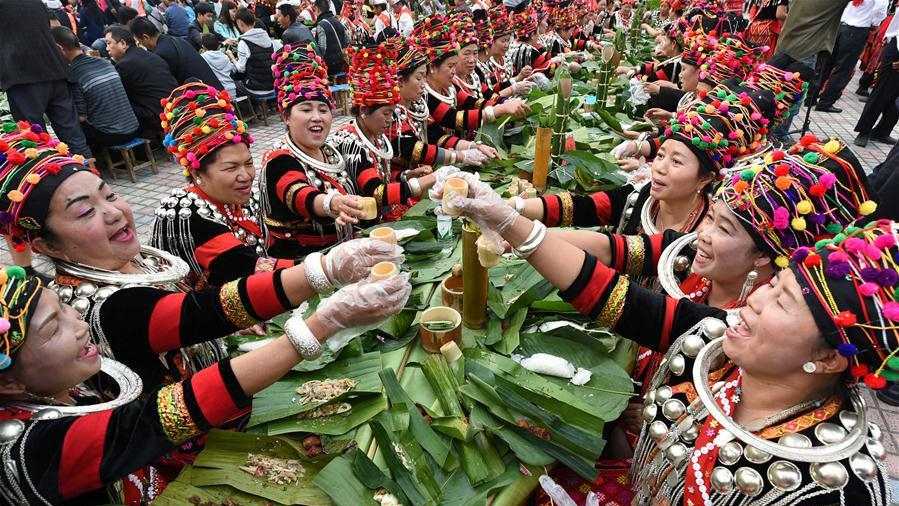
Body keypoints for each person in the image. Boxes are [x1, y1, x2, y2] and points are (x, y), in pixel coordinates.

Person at [439, 174, 892, 506]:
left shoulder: (834, 488)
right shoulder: (721, 341)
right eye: (775, 286)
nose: (756, 302)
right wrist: (507, 218)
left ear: (830, 357)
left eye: (783, 300)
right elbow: (615, 298)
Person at [0, 257, 409, 503]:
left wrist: (326, 270)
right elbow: (158, 418)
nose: (77, 324)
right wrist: (319, 326)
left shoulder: (65, 386)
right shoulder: (27, 449)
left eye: (66, 309)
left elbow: (207, 309)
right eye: (53, 328)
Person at [153, 83, 302, 288]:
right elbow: (245, 266)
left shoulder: (242, 201)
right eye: (231, 168)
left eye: (248, 164)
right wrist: (319, 268)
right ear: (198, 172)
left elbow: (272, 248)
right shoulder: (185, 211)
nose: (246, 176)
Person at [259, 47, 369, 257]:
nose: (317, 117)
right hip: (303, 267)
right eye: (306, 109)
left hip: (343, 251)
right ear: (286, 117)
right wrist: (331, 203)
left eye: (323, 109)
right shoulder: (279, 161)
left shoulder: (331, 153)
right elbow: (298, 193)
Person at [332, 42, 457, 224]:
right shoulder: (351, 141)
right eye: (386, 113)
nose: (391, 119)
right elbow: (376, 192)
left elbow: (381, 175)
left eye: (392, 112)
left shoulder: (377, 136)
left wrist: (407, 175)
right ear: (364, 110)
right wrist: (433, 178)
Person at [0, 0, 92, 159]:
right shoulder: (35, 2)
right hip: (55, 68)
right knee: (71, 131)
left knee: (35, 136)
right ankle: (89, 173)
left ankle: (51, 176)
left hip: (22, 75)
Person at [418, 14, 528, 141]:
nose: (472, 60)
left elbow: (478, 101)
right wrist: (501, 107)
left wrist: (505, 103)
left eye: (475, 53)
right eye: (450, 66)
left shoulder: (457, 85)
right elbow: (454, 118)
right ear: (432, 67)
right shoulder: (425, 95)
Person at [50, 26, 141, 156]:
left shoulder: (74, 74)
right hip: (134, 128)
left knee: (68, 123)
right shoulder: (105, 62)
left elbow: (82, 117)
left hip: (112, 135)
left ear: (59, 48)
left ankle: (88, 160)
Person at [770, 0, 851, 142]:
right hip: (805, 51)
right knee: (792, 97)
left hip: (786, 44)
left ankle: (770, 131)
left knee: (777, 90)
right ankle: (778, 136)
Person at [815, 0, 888, 114]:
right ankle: (825, 102)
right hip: (857, 29)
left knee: (826, 64)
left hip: (840, 26)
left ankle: (811, 97)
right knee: (843, 68)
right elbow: (880, 8)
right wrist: (875, 23)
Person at [103, 25, 178, 134]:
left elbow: (123, 97)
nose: (106, 48)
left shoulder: (124, 65)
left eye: (109, 43)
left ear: (123, 44)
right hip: (176, 107)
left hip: (158, 116)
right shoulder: (150, 55)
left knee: (120, 102)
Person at [131, 16, 225, 89]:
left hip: (206, 101)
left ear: (145, 37)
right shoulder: (175, 39)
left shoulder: (160, 54)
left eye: (140, 42)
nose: (142, 45)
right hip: (216, 91)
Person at [854, 14, 899, 147]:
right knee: (881, 93)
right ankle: (864, 131)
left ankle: (882, 132)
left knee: (896, 100)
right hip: (897, 50)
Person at [314, 0, 349, 77]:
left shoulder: (321, 25)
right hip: (340, 64)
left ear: (317, 9)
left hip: (329, 67)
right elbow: (347, 41)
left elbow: (322, 49)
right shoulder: (337, 21)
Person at [199, 34, 238, 98]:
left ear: (203, 46)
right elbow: (234, 70)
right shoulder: (225, 56)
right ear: (218, 46)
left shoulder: (203, 57)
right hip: (231, 91)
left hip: (217, 93)